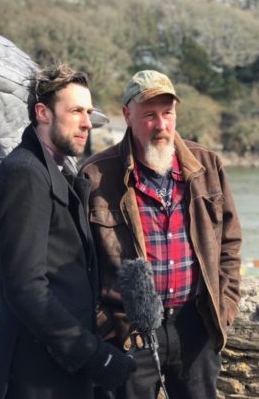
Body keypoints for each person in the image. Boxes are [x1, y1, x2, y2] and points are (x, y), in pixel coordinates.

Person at [80, 70, 242, 399]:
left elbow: (230, 243)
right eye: (150, 115)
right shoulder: (95, 175)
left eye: (168, 114)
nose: (162, 126)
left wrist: (224, 309)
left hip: (195, 326)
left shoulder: (207, 166)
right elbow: (78, 262)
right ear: (127, 115)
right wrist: (103, 325)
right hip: (127, 332)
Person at [0, 63, 135, 399]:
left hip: (58, 368)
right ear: (43, 113)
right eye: (76, 111)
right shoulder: (24, 174)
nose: (87, 123)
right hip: (35, 375)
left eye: (89, 112)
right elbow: (26, 288)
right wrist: (93, 356)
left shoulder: (49, 170)